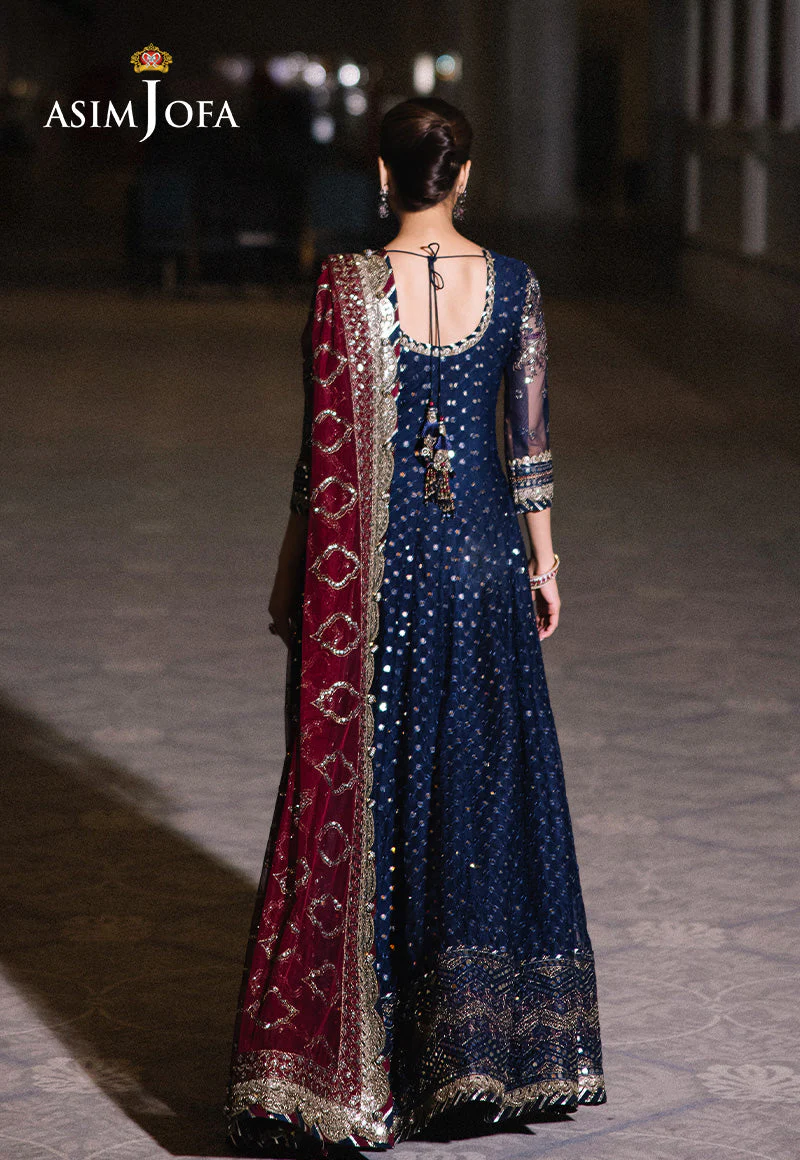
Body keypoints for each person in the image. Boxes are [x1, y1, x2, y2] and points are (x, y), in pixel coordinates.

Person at [226, 96, 606, 1155]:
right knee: (474, 788)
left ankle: (368, 1044)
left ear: (382, 175)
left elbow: (320, 457)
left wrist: (290, 573)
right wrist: (543, 563)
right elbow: (528, 445)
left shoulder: (343, 286)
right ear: (465, 177)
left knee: (379, 785)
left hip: (380, 574)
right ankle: (477, 1060)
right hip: (481, 565)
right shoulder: (516, 285)